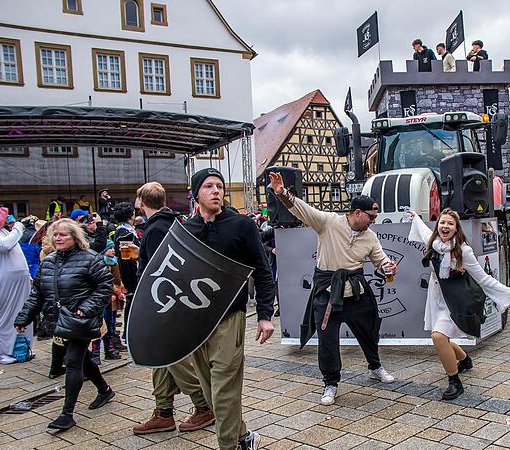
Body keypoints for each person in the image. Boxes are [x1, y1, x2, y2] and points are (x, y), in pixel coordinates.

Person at [269, 171, 397, 407]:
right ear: (357, 213)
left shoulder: (370, 236)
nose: (374, 221)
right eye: (371, 216)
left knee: (370, 331)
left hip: (356, 294)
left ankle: (375, 366)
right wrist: (282, 193)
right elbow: (302, 209)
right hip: (328, 295)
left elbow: (381, 260)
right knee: (327, 341)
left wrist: (388, 266)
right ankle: (330, 383)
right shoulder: (328, 222)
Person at [183, 169, 275, 450]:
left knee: (223, 388)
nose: (216, 191)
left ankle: (228, 446)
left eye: (220, 186)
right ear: (196, 193)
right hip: (195, 320)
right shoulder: (187, 230)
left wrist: (264, 315)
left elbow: (262, 271)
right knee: (212, 392)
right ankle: (244, 436)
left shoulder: (241, 226)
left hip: (229, 318)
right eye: (209, 186)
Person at [408, 208, 510, 399]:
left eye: (450, 224)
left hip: (455, 299)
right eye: (442, 222)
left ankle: (455, 381)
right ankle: (464, 359)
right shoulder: (433, 242)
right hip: (437, 296)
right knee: (441, 337)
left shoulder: (463, 250)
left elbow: (484, 279)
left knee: (438, 337)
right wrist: (414, 216)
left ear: (456, 229)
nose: (445, 226)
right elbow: (421, 229)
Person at [130, 182, 215, 436]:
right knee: (160, 358)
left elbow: (161, 273)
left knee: (172, 357)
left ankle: (204, 404)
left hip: (164, 304)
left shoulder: (156, 228)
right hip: (168, 302)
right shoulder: (168, 223)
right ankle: (164, 412)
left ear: (141, 202)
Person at [15, 219, 115, 430]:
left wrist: (87, 308)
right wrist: (24, 318)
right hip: (60, 319)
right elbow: (37, 294)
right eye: (55, 234)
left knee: (72, 361)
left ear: (75, 237)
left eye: (63, 234)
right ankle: (104, 390)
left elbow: (105, 286)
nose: (58, 238)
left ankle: (67, 414)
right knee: (82, 359)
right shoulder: (49, 261)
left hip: (81, 320)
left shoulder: (90, 258)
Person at [0, 206, 33, 364]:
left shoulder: (3, 232)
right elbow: (5, 245)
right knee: (5, 317)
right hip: (1, 284)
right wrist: (18, 227)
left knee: (23, 315)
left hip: (19, 284)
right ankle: (4, 353)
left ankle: (22, 349)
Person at [112, 202, 139, 346]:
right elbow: (126, 260)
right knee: (130, 304)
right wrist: (129, 282)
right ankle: (127, 334)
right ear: (131, 215)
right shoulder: (125, 233)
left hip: (129, 274)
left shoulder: (123, 231)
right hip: (130, 276)